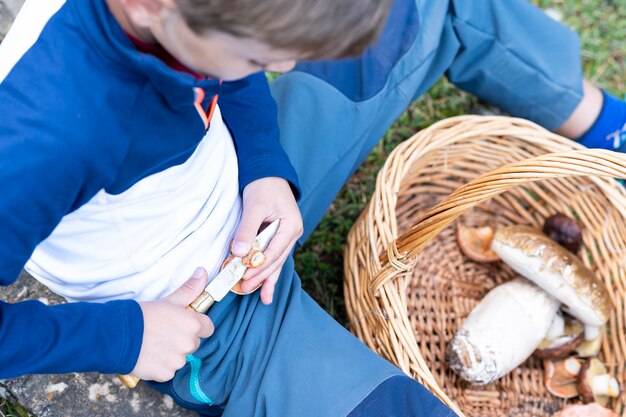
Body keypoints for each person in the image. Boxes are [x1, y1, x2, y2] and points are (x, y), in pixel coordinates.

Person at [0, 0, 624, 416]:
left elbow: (233, 72)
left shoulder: (194, 19)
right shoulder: (43, 140)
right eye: (259, 58)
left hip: (249, 194)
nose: (285, 68)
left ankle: (603, 128)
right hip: (207, 315)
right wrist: (129, 336)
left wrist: (266, 165)